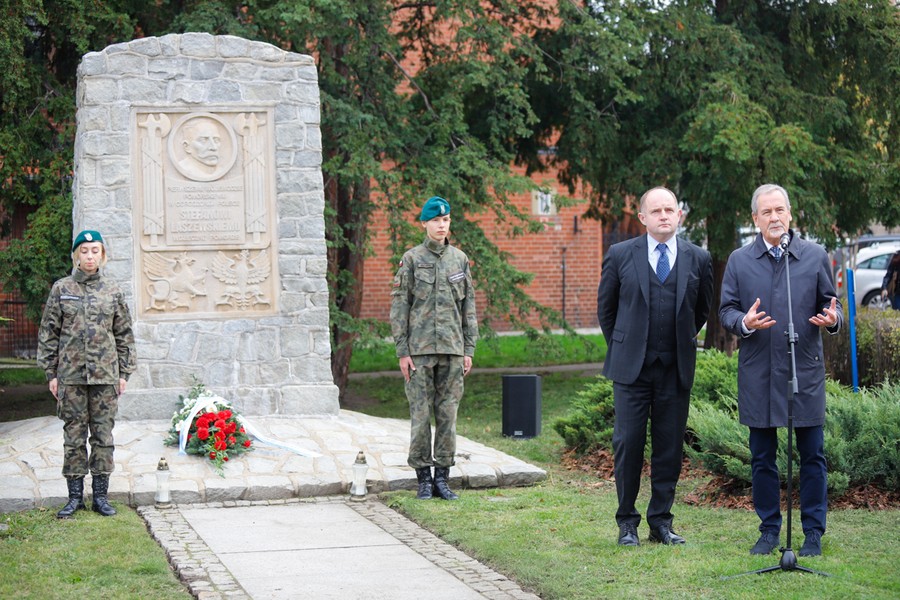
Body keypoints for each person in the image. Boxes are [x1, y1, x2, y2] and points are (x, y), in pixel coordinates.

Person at [719, 184, 842, 557]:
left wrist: (833, 319)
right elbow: (725, 311)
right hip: (758, 371)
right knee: (761, 456)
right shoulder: (740, 261)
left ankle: (813, 534)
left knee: (812, 455)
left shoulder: (814, 255)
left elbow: (831, 305)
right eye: (766, 212)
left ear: (791, 214)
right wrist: (745, 321)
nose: (774, 217)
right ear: (755, 219)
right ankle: (769, 530)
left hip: (803, 369)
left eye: (780, 210)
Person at [597, 186, 714, 546]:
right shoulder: (620, 255)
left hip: (674, 369)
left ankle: (661, 521)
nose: (664, 215)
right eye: (657, 210)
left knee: (669, 448)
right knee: (628, 443)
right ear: (643, 218)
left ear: (680, 215)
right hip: (631, 370)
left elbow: (701, 311)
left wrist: (675, 343)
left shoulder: (698, 258)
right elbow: (607, 311)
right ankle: (627, 522)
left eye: (670, 209)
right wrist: (626, 345)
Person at [38, 230, 136, 518]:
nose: (89, 256)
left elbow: (124, 334)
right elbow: (49, 333)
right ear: (76, 255)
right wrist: (51, 373)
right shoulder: (61, 289)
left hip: (106, 377)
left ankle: (101, 497)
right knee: (74, 435)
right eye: (84, 251)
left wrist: (124, 373)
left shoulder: (113, 291)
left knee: (103, 436)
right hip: (71, 377)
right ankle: (75, 498)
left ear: (102, 255)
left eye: (95, 250)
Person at [390, 196, 478, 500]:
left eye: (447, 219)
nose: (442, 225)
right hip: (419, 352)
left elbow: (469, 308)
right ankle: (423, 479)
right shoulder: (412, 259)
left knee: (448, 415)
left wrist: (469, 348)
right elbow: (400, 307)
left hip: (453, 350)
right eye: (436, 220)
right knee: (420, 415)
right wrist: (403, 350)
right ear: (425, 223)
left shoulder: (460, 259)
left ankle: (443, 477)